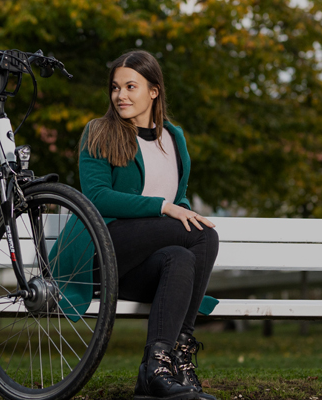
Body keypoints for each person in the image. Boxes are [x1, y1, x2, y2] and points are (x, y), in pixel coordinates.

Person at [78, 50, 219, 400]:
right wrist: (164, 208)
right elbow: (96, 197)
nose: (120, 95)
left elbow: (180, 198)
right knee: (202, 233)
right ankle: (178, 355)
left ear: (154, 91)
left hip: (144, 267)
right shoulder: (99, 131)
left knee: (181, 257)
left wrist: (175, 208)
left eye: (130, 86)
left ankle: (158, 367)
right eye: (115, 87)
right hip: (105, 248)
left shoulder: (174, 138)